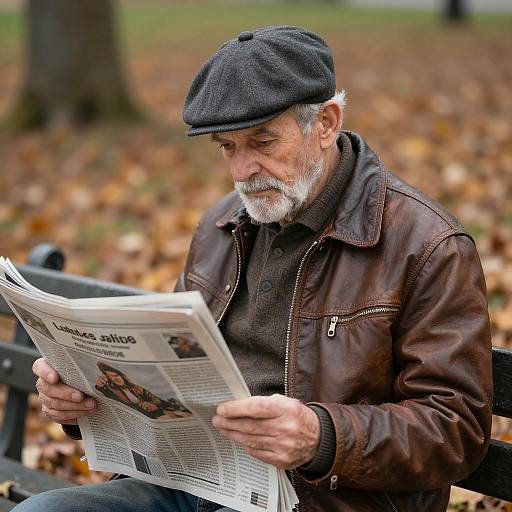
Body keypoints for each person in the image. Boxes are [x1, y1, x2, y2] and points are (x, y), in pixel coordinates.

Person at [23, 25, 491, 512]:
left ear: (326, 123)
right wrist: (85, 405)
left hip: (320, 499)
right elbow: (168, 379)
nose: (243, 170)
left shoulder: (427, 244)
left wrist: (320, 436)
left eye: (263, 142)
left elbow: (455, 429)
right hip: (194, 480)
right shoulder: (220, 225)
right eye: (227, 147)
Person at [94, 362, 192, 419]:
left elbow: (157, 400)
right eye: (111, 378)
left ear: (121, 375)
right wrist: (100, 386)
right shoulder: (113, 391)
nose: (115, 379)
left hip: (159, 413)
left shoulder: (137, 388)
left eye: (116, 375)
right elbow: (107, 393)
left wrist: (155, 406)